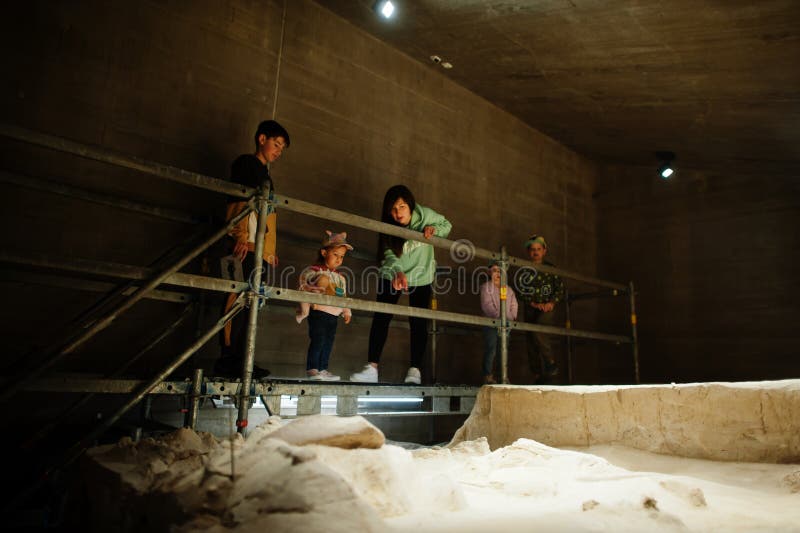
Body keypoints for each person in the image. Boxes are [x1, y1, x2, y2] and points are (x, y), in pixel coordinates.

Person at [350, 185, 452, 384]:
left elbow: (447, 225)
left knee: (418, 321)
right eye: (393, 209)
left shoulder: (425, 215)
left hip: (422, 275)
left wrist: (434, 230)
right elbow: (387, 253)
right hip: (393, 273)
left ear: (411, 206)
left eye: (402, 207)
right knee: (381, 316)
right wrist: (398, 272)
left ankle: (415, 370)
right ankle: (372, 368)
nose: (398, 213)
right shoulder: (388, 225)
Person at [215, 120, 290, 378]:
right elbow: (238, 201)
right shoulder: (246, 164)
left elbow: (268, 217)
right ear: (261, 139)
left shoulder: (267, 177)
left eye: (282, 148)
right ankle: (228, 360)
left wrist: (269, 250)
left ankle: (244, 360)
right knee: (234, 301)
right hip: (243, 246)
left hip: (259, 252)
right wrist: (238, 234)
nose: (278, 151)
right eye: (276, 144)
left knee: (253, 305)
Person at [295, 231, 354, 381]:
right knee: (318, 339)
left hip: (334, 315)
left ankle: (323, 369)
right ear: (323, 253)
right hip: (318, 311)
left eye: (342, 256)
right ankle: (313, 369)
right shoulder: (314, 270)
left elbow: (343, 296)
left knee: (328, 342)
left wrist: (347, 311)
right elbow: (303, 282)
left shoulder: (341, 277)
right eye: (335, 254)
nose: (339, 259)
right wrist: (311, 287)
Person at [516, 234, 564, 383]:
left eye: (538, 249)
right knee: (531, 341)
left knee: (539, 331)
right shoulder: (524, 269)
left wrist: (551, 303)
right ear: (528, 252)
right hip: (531, 307)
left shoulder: (551, 269)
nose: (535, 252)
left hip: (547, 308)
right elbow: (520, 290)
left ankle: (550, 362)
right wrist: (532, 303)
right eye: (532, 249)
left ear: (544, 251)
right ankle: (537, 375)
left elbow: (560, 289)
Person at [479, 261, 519, 384]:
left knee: (503, 349)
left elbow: (514, 304)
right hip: (491, 324)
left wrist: (510, 318)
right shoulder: (486, 287)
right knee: (491, 348)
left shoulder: (509, 289)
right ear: (489, 272)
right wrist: (499, 318)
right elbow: (487, 305)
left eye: (500, 271)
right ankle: (488, 375)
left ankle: (503, 376)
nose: (497, 273)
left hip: (506, 325)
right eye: (494, 270)